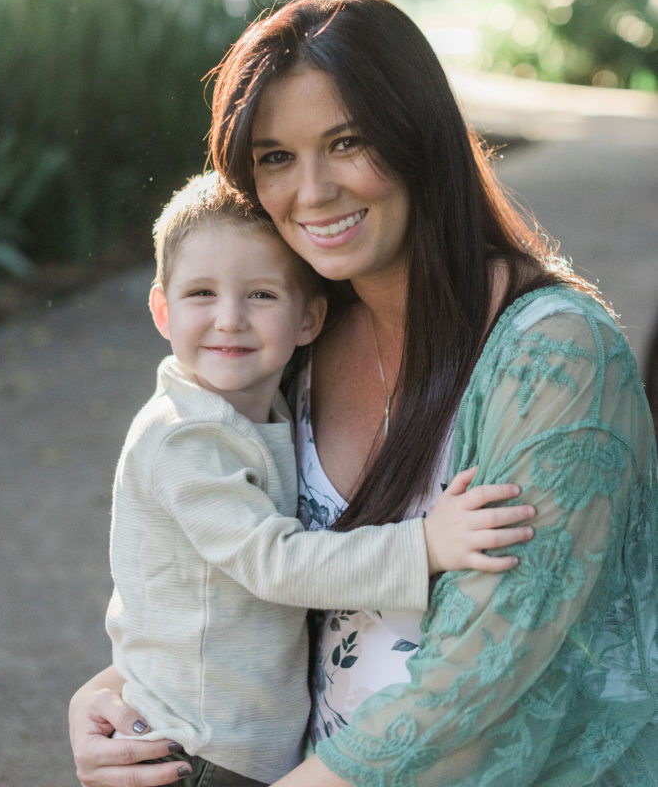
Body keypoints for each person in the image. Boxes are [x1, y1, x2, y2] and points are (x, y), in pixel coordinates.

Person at [69, 0, 657, 787]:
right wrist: (112, 701)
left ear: (420, 139)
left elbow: (481, 677)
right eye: (275, 157)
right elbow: (239, 581)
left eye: (347, 142)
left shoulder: (554, 357)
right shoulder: (299, 343)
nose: (310, 193)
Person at [101, 169, 534, 787]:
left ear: (309, 320)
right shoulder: (183, 437)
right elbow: (277, 563)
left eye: (261, 296)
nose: (229, 319)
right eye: (201, 294)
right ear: (161, 310)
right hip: (200, 748)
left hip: (236, 740)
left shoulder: (261, 411)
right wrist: (426, 546)